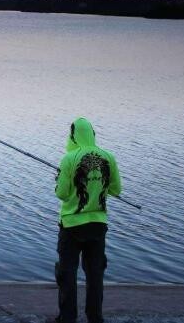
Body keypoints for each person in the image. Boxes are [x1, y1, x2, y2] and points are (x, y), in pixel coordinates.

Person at [54, 117, 121, 323]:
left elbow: (62, 194)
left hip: (72, 225)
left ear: (73, 135)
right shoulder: (108, 157)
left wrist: (59, 180)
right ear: (92, 134)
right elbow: (116, 190)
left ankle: (67, 318)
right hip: (98, 225)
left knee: (68, 274)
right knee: (95, 274)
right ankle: (95, 317)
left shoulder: (68, 159)